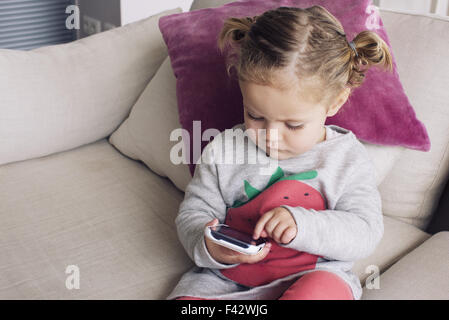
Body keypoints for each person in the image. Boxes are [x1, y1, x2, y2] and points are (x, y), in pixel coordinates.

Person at [167, 5, 392, 300]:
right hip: (225, 284)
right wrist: (207, 244)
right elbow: (194, 213)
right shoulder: (223, 150)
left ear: (335, 102)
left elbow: (365, 231)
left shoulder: (346, 159)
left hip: (313, 279)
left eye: (293, 125)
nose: (271, 137)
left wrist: (301, 223)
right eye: (255, 116)